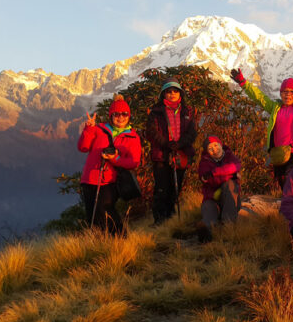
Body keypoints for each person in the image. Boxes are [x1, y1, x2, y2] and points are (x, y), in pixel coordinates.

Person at [77, 95, 142, 235]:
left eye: (124, 114)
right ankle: (100, 244)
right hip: (90, 178)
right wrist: (88, 129)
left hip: (110, 181)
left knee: (105, 208)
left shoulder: (133, 137)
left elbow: (134, 162)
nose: (121, 117)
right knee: (92, 215)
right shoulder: (98, 128)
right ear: (111, 115)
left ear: (129, 115)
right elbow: (83, 147)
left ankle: (120, 238)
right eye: (116, 114)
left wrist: (115, 158)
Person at [145, 78, 197, 223]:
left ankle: (171, 217)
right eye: (168, 91)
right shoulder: (156, 112)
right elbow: (151, 132)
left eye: (175, 91)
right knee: (161, 188)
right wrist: (167, 144)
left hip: (180, 154)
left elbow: (192, 132)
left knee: (176, 187)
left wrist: (179, 144)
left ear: (180, 94)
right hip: (161, 155)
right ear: (163, 94)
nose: (172, 94)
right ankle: (160, 220)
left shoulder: (187, 111)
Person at [196, 135, 242, 243]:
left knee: (229, 185)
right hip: (212, 198)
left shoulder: (230, 156)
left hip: (230, 199)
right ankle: (206, 232)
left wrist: (214, 173)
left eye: (216, 146)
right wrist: (233, 175)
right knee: (208, 211)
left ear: (221, 145)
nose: (214, 150)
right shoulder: (204, 163)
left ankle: (228, 227)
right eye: (210, 149)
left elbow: (236, 166)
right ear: (207, 151)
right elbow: (212, 181)